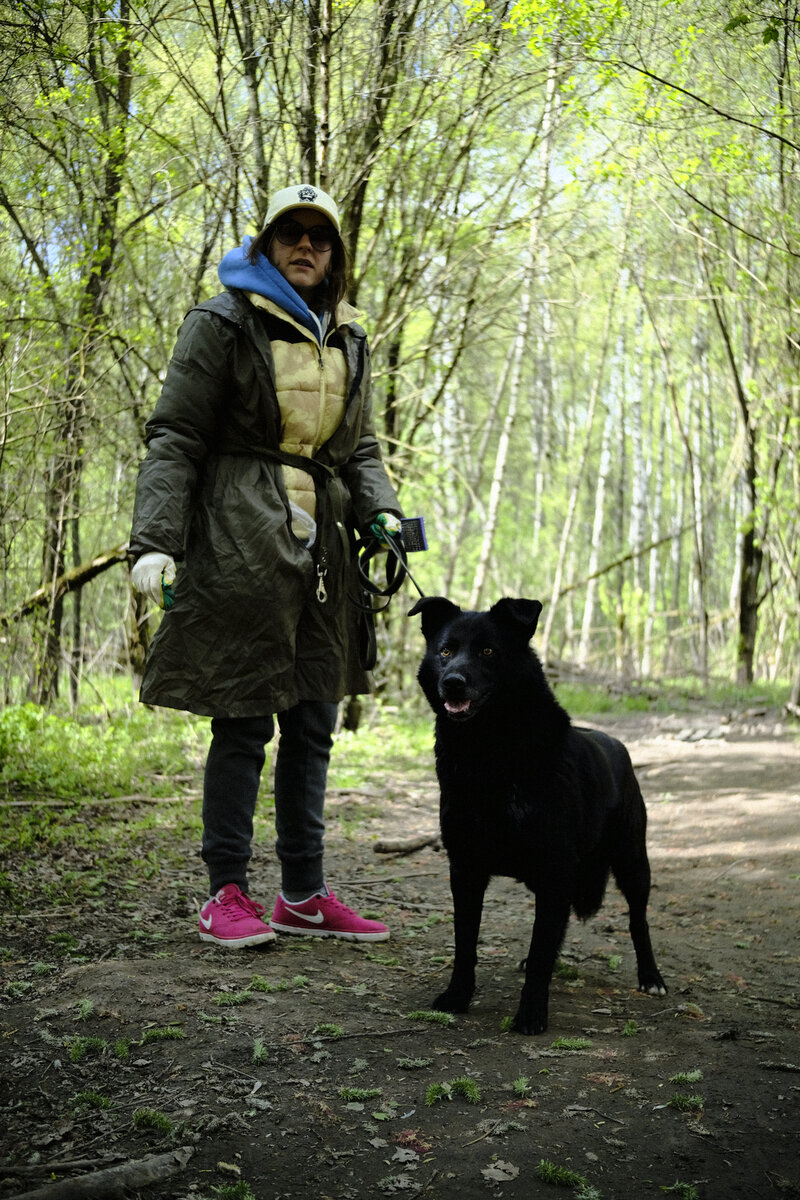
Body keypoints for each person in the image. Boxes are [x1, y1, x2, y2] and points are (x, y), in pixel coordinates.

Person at [129, 183, 403, 949]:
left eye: (320, 236)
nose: (306, 245)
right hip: (237, 539)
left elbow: (363, 448)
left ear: (336, 253)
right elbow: (176, 435)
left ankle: (304, 894)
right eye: (292, 232)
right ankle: (225, 893)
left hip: (325, 547)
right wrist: (156, 540)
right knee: (244, 719)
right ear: (267, 242)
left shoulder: (348, 337)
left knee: (314, 716)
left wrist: (381, 514)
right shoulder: (220, 323)